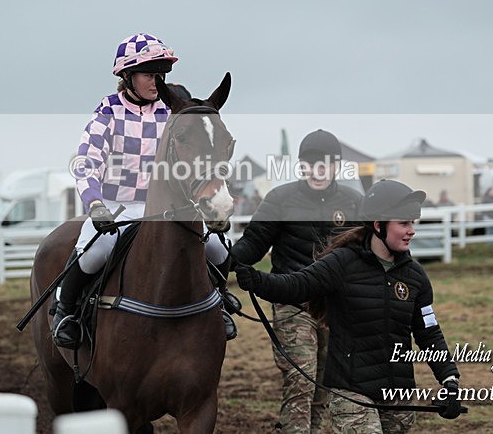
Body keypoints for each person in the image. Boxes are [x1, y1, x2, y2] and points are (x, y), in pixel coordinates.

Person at [52, 33, 235, 348]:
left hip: (168, 207)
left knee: (219, 248)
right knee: (95, 250)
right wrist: (95, 205)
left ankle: (217, 299)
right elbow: (86, 163)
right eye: (149, 74)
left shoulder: (173, 110)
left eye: (160, 74)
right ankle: (66, 311)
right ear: (127, 76)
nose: (157, 81)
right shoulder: (108, 111)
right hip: (117, 205)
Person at [235, 180, 462, 433]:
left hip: (398, 396)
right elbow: (296, 285)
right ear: (378, 225)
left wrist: (449, 380)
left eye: (412, 223)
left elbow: (428, 332)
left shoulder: (415, 277)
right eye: (403, 223)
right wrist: (255, 279)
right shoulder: (341, 263)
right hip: (351, 393)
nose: (412, 231)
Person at [228, 129, 363, 434]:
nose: (317, 170)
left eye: (325, 163)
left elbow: (366, 253)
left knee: (324, 386)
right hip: (292, 303)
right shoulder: (280, 199)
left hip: (337, 309)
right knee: (301, 378)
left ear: (336, 166)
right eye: (310, 162)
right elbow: (253, 243)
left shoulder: (355, 203)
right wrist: (223, 259)